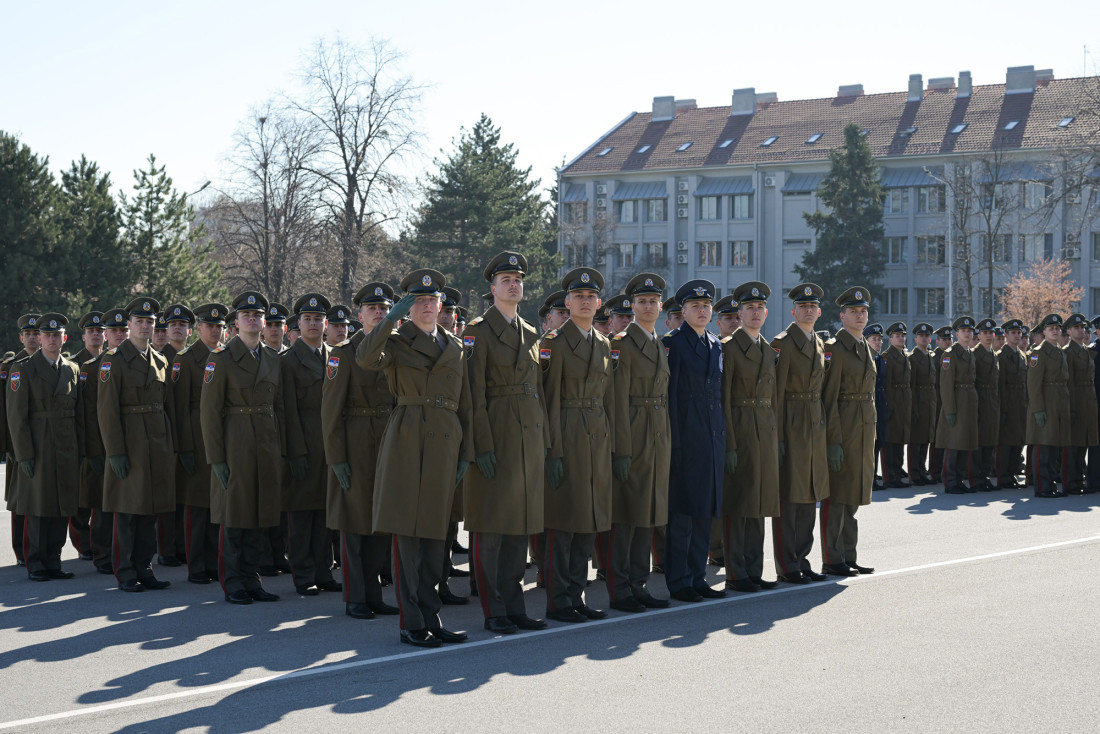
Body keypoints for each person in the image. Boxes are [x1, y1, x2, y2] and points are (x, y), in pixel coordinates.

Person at [355, 268, 473, 647]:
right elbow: (365, 358)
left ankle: (431, 615)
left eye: (431, 300)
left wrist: (466, 452)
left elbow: (466, 404)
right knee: (409, 536)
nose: (426, 306)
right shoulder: (396, 339)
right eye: (418, 301)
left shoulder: (455, 346)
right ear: (408, 307)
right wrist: (388, 319)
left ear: (440, 304)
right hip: (408, 437)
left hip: (445, 441)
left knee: (436, 537)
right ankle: (412, 623)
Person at [462, 252, 551, 633]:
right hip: (496, 437)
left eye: (518, 280)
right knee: (492, 530)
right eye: (506, 280)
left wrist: (544, 441)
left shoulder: (530, 332)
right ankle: (494, 609)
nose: (514, 285)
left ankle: (515, 606)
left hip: (527, 440)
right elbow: (473, 395)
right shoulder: (477, 331)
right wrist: (481, 446)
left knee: (519, 527)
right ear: (493, 288)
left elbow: (537, 391)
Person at [540, 267, 616, 622]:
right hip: (567, 434)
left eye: (591, 297)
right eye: (578, 296)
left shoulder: (603, 343)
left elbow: (607, 399)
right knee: (563, 522)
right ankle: (558, 600)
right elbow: (549, 399)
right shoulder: (553, 342)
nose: (585, 302)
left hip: (596, 438)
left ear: (599, 304)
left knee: (588, 521)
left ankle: (576, 594)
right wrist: (552, 451)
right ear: (567, 303)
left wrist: (612, 447)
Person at [201, 291, 286, 604]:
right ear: (235, 322)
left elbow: (280, 407)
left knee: (259, 517)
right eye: (246, 315)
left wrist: (283, 450)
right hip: (235, 443)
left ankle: (252, 579)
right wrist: (216, 458)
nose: (252, 319)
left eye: (257, 315)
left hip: (265, 443)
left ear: (264, 322)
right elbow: (209, 413)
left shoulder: (273, 358)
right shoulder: (220, 358)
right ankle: (233, 582)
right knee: (235, 518)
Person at [322, 282, 400, 620]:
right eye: (373, 309)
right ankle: (355, 597)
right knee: (354, 525)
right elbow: (330, 411)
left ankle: (373, 594)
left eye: (384, 308)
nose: (379, 313)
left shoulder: (395, 348)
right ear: (360, 314)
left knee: (380, 523)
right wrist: (337, 458)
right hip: (355, 443)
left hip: (387, 439)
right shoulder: (343, 352)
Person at [600, 272, 671, 612]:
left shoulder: (658, 342)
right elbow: (616, 401)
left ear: (660, 306)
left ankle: (638, 582)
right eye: (642, 302)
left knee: (648, 513)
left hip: (657, 434)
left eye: (653, 301)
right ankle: (620, 588)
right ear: (632, 306)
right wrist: (622, 450)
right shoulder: (621, 344)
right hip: (633, 432)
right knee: (626, 515)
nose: (648, 307)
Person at [98, 297, 175, 592]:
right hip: (129, 443)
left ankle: (145, 568)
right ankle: (126, 571)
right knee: (127, 512)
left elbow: (166, 407)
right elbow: (106, 411)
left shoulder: (160, 360)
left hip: (156, 443)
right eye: (139, 321)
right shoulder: (114, 360)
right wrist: (115, 452)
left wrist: (169, 445)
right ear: (129, 325)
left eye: (149, 322)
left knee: (150, 511)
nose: (145, 326)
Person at [663, 279, 726, 601]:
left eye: (706, 306)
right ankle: (679, 581)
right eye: (695, 306)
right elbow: (671, 397)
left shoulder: (715, 344)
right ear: (683, 311)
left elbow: (718, 396)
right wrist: (674, 444)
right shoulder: (673, 344)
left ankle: (698, 576)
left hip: (712, 439)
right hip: (686, 440)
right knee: (682, 516)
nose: (702, 311)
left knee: (705, 512)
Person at [6, 313, 81, 581]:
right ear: (39, 338)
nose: (51, 339)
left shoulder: (71, 369)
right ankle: (36, 562)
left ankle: (54, 560)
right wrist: (23, 454)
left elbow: (79, 414)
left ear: (64, 338)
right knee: (38, 506)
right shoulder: (23, 369)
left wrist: (81, 450)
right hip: (38, 445)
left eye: (56, 335)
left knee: (62, 505)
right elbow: (16, 417)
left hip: (66, 445)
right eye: (47, 335)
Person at [281, 293, 342, 596]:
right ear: (298, 324)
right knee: (302, 516)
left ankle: (324, 571)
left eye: (318, 319)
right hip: (304, 445)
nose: (313, 324)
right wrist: (295, 452)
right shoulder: (288, 360)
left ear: (326, 323)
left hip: (330, 445)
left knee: (325, 514)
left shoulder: (335, 355)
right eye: (307, 319)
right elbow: (287, 411)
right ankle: (304, 575)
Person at [720, 281, 780, 592]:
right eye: (749, 308)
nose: (755, 313)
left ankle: (755, 569)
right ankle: (737, 572)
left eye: (760, 308)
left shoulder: (769, 350)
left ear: (766, 313)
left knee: (761, 503)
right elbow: (724, 399)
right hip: (741, 429)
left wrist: (777, 439)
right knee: (739, 503)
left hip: (765, 431)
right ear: (739, 314)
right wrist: (729, 444)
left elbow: (774, 398)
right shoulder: (728, 348)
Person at [771, 284, 829, 585]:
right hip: (792, 423)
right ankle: (787, 563)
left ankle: (803, 558)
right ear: (793, 311)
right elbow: (777, 393)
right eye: (802, 306)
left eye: (812, 306)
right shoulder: (782, 343)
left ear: (819, 312)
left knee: (810, 495)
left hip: (814, 424)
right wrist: (779, 437)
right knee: (790, 498)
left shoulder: (819, 342)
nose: (808, 310)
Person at [820, 287, 877, 576]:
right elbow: (829, 398)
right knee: (837, 497)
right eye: (853, 311)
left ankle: (848, 554)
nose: (859, 315)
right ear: (842, 316)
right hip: (844, 429)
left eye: (863, 311)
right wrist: (833, 441)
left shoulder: (865, 345)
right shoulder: (835, 348)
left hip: (863, 429)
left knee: (853, 496)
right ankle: (832, 558)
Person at [170, 303, 226, 584]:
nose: (215, 331)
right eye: (210, 326)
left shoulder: (225, 355)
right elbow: (179, 408)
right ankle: (196, 565)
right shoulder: (185, 359)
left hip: (220, 436)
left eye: (219, 327)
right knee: (196, 507)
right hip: (195, 437)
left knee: (217, 505)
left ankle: (214, 562)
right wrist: (184, 447)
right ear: (199, 329)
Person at [77, 308, 129, 575]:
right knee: (102, 505)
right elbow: (89, 415)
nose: (119, 335)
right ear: (107, 335)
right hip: (102, 446)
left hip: (130, 444)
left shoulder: (136, 361)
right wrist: (94, 452)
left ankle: (124, 553)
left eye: (123, 330)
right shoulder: (92, 367)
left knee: (127, 503)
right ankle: (103, 554)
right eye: (114, 330)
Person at [157, 303, 195, 568]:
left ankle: (183, 546)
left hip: (191, 431)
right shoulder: (160, 358)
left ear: (190, 331)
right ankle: (167, 549)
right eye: (173, 325)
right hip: (168, 433)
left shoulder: (194, 356)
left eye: (182, 325)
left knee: (187, 495)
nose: (178, 329)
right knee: (168, 497)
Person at [3, 313, 42, 566]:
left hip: (41, 440)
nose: (32, 338)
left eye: (35, 333)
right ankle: (20, 550)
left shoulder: (49, 363)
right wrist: (8, 445)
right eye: (27, 334)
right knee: (19, 498)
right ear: (21, 338)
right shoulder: (10, 366)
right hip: (15, 442)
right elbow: (5, 410)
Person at [67, 311, 105, 560]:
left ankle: (99, 542)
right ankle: (83, 545)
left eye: (99, 331)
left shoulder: (110, 360)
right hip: (81, 436)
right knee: (81, 497)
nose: (95, 335)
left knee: (100, 495)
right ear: (83, 336)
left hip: (104, 435)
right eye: (91, 331)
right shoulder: (74, 363)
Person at [1026, 314, 1071, 497]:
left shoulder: (1060, 351)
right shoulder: (1039, 352)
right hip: (1046, 403)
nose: (1055, 331)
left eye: (1057, 328)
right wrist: (1038, 409)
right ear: (1043, 332)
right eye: (1051, 328)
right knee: (1043, 446)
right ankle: (1042, 486)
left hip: (1059, 402)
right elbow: (1033, 384)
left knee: (1054, 447)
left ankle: (1050, 484)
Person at [937, 316, 980, 495]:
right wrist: (949, 410)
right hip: (957, 400)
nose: (967, 334)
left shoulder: (970, 353)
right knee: (953, 443)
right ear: (957, 334)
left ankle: (960, 480)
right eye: (964, 331)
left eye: (970, 331)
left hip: (968, 400)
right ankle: (950, 481)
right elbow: (946, 385)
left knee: (965, 443)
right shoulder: (950, 354)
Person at [1063, 313, 1097, 494]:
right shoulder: (1067, 352)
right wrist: (1071, 407)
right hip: (1076, 400)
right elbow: (1069, 383)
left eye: (1082, 327)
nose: (1081, 330)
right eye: (1076, 327)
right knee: (1073, 445)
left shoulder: (1085, 350)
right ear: (1068, 331)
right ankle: (1071, 482)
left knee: (1083, 443)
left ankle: (1078, 480)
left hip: (1088, 401)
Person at [996, 319, 1028, 489]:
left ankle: (1012, 474)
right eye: (1013, 333)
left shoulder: (1022, 355)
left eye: (1018, 333)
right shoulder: (1001, 356)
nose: (1017, 336)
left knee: (1018, 441)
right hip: (1008, 402)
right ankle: (1004, 476)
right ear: (1006, 335)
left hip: (1021, 403)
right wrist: (1002, 409)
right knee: (1006, 442)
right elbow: (1000, 384)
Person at [880, 322, 912, 488]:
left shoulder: (904, 354)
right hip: (894, 402)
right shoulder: (888, 356)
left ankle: (898, 472)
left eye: (902, 336)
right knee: (890, 441)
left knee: (900, 440)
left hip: (904, 401)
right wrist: (889, 406)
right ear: (890, 339)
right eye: (897, 336)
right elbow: (887, 383)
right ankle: (890, 477)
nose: (901, 338)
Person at [971, 319, 1001, 492]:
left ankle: (985, 476)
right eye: (985, 333)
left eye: (990, 333)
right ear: (979, 336)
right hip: (980, 398)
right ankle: (977, 478)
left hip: (992, 400)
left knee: (990, 440)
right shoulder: (975, 354)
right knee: (980, 442)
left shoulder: (993, 353)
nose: (988, 336)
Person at [908, 323, 937, 486]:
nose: (924, 338)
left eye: (927, 336)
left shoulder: (930, 356)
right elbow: (911, 385)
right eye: (921, 336)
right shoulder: (913, 358)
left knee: (926, 438)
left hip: (930, 401)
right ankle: (914, 473)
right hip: (919, 400)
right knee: (916, 440)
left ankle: (922, 470)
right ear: (916, 339)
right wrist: (913, 408)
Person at [929, 326, 953, 484]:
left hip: (947, 400)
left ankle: (944, 468)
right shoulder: (935, 357)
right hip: (937, 400)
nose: (947, 342)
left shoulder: (952, 355)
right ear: (937, 342)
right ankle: (935, 470)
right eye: (944, 339)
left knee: (948, 437)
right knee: (937, 439)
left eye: (949, 339)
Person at [865, 323, 887, 489]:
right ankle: (868, 480)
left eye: (880, 339)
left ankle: (873, 476)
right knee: (869, 444)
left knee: (878, 441)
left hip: (879, 405)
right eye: (874, 339)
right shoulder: (866, 358)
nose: (878, 342)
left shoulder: (879, 359)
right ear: (866, 340)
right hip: (868, 406)